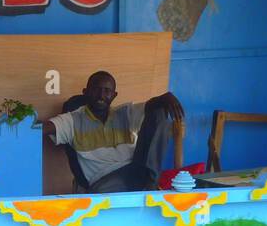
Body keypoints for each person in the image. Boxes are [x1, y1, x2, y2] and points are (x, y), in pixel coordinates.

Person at [43, 70, 185, 192]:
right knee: (104, 192)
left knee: (158, 110)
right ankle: (146, 189)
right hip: (104, 181)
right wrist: (23, 125)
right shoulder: (72, 120)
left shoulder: (125, 113)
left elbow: (151, 108)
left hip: (136, 170)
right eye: (96, 89)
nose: (101, 95)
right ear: (85, 92)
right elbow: (41, 129)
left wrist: (163, 98)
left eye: (107, 91)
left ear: (114, 95)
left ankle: (151, 185)